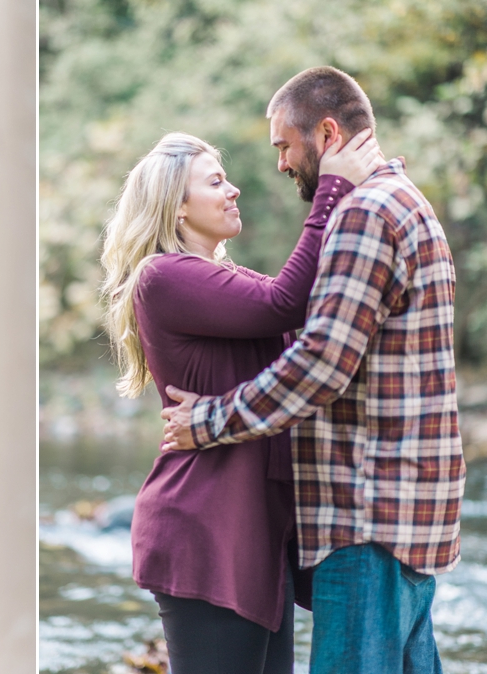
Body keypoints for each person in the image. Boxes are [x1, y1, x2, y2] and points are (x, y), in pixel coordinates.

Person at [160, 66, 466, 674]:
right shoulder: (406, 200)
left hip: (366, 517)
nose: (278, 164)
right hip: (407, 512)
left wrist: (209, 420)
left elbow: (321, 364)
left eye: (283, 145)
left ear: (325, 135)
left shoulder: (365, 215)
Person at [100, 129, 380, 674]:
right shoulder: (164, 277)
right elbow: (285, 303)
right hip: (207, 529)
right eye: (215, 181)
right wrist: (330, 188)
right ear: (177, 207)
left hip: (254, 527)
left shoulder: (223, 277)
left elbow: (308, 304)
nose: (234, 191)